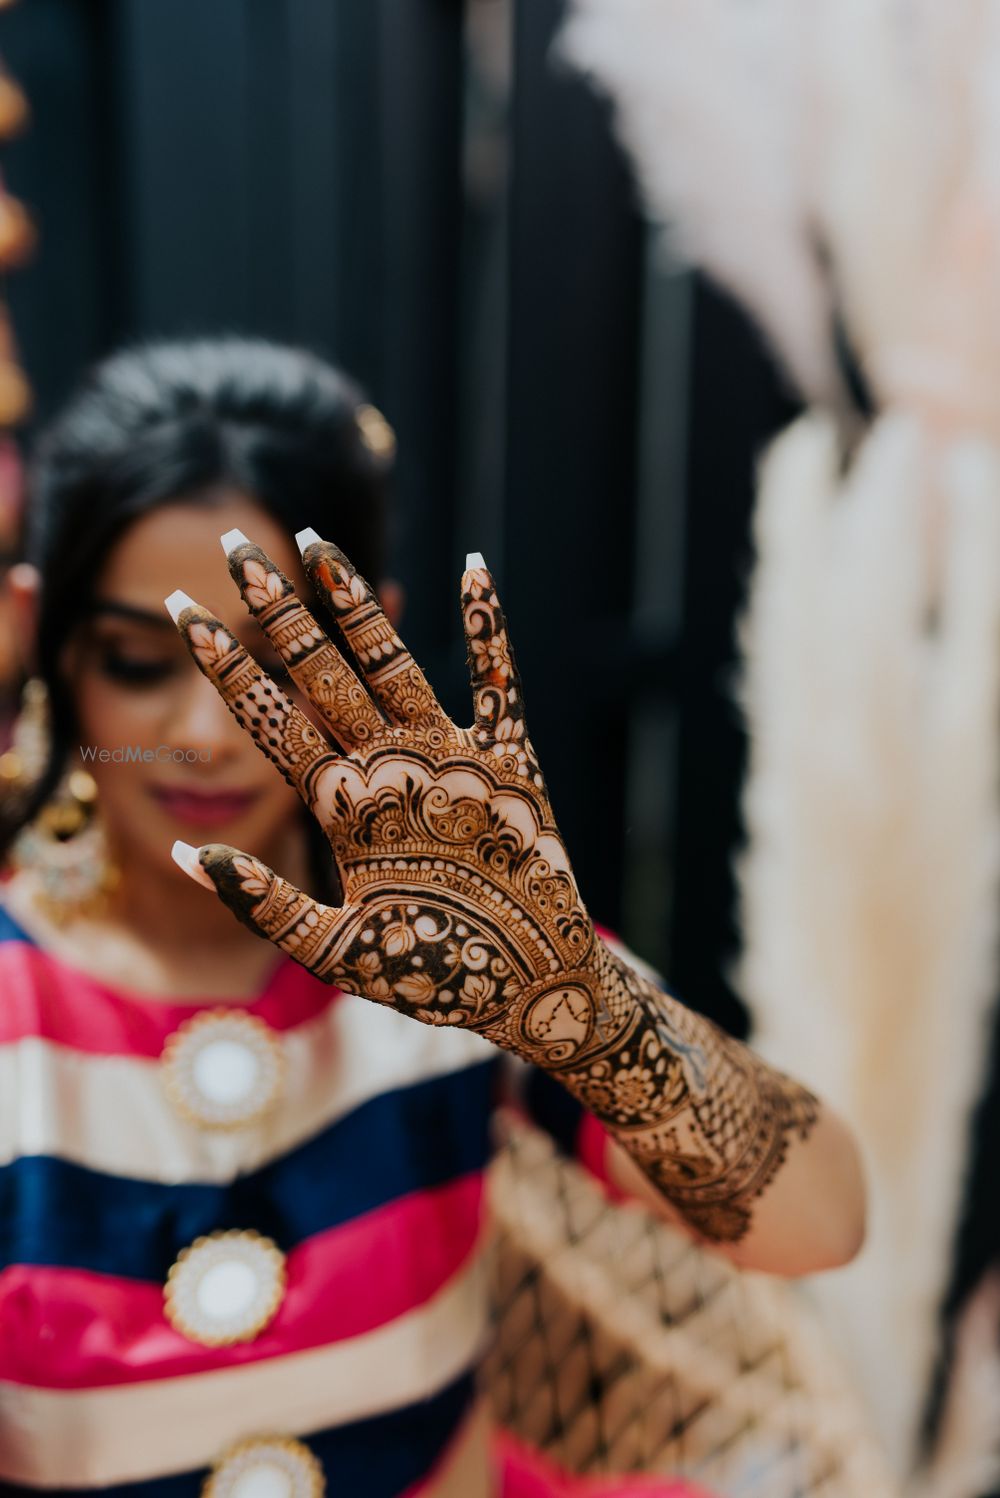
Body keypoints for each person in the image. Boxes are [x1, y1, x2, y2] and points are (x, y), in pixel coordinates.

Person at [0, 336, 864, 1498]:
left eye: (272, 665)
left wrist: (579, 1010)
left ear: (369, 631)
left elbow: (818, 1220)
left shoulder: (449, 952)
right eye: (140, 662)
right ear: (37, 632)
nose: (205, 734)